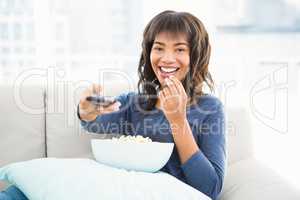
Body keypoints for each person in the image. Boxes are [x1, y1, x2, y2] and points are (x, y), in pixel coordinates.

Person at [0, 10, 226, 200]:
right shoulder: (136, 103)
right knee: (19, 192)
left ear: (196, 56)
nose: (166, 58)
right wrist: (87, 111)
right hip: (119, 189)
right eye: (158, 48)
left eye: (179, 49)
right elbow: (96, 122)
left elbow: (210, 188)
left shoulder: (210, 109)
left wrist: (178, 122)